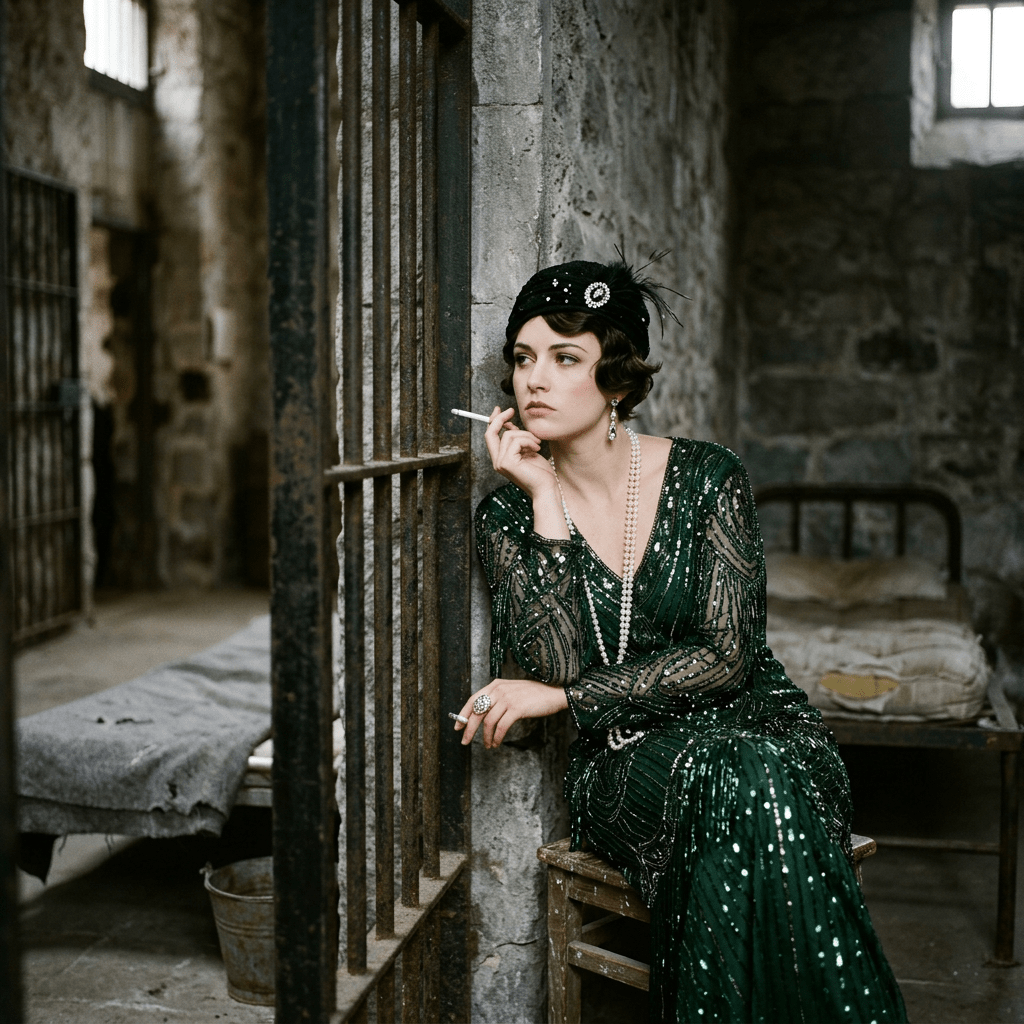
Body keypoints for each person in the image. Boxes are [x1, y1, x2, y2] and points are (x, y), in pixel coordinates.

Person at [453, 256, 908, 1023]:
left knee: (748, 771)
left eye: (566, 358)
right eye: (524, 359)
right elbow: (564, 659)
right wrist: (541, 500)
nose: (535, 379)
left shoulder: (708, 477)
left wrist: (565, 698)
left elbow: (728, 657)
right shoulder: (506, 519)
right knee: (738, 783)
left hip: (766, 731)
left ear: (619, 382)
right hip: (626, 765)